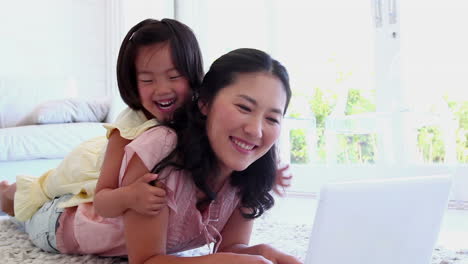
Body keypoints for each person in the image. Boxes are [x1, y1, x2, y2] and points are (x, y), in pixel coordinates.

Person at [2, 48, 301, 264]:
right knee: (21, 203)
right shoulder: (161, 149)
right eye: (244, 108)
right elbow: (146, 260)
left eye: (272, 119)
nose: (256, 130)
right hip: (59, 226)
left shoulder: (248, 171)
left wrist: (265, 253)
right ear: (205, 103)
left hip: (100, 198)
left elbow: (231, 247)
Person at [1, 18, 204, 221]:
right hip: (85, 167)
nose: (162, 90)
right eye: (147, 80)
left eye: (174, 76)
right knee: (39, 191)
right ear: (132, 83)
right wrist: (129, 197)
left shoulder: (201, 112)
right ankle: (5, 191)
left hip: (99, 151)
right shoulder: (126, 130)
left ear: (192, 73)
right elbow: (102, 202)